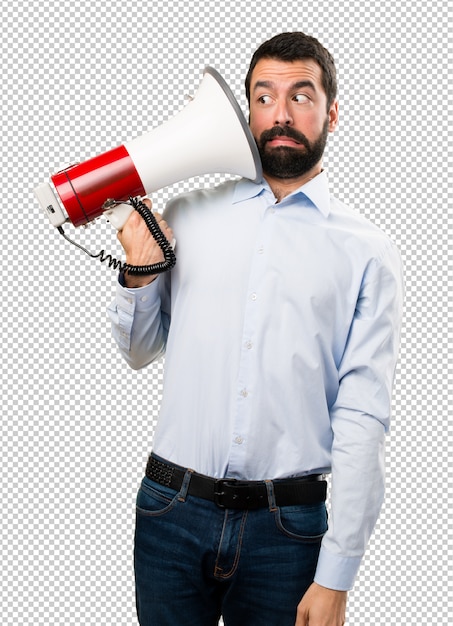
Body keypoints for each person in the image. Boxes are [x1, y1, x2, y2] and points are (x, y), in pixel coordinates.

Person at [108, 32, 403, 626]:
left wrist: (337, 575)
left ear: (332, 111)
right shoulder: (189, 215)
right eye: (264, 97)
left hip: (287, 532)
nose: (282, 114)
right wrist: (138, 276)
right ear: (247, 111)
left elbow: (363, 415)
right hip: (170, 511)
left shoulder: (368, 252)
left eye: (302, 95)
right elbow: (138, 351)